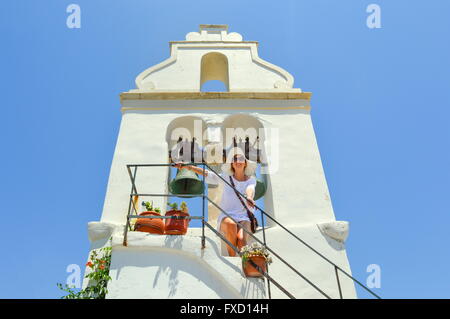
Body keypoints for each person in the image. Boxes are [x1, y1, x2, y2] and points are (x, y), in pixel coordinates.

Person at [173, 153, 256, 257]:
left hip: (244, 217)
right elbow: (208, 174)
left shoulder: (251, 180)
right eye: (235, 159)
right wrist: (188, 167)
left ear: (245, 163)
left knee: (241, 239)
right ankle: (233, 258)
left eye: (241, 159)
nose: (238, 161)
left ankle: (245, 263)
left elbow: (250, 189)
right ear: (232, 164)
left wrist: (249, 197)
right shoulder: (226, 177)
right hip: (228, 215)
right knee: (232, 225)